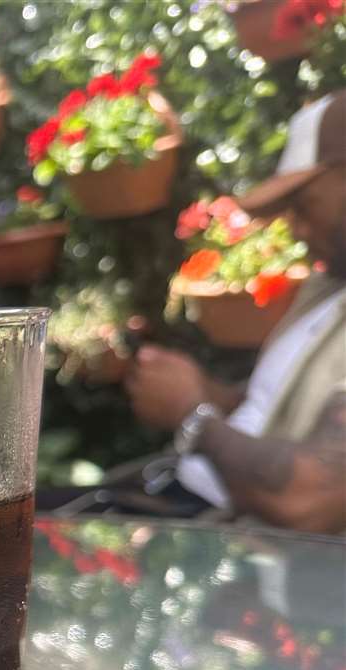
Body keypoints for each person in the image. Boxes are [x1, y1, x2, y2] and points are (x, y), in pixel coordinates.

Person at [125, 91, 346, 535]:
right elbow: (283, 405)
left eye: (304, 206)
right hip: (194, 513)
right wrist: (211, 394)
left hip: (251, 561)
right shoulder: (325, 290)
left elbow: (310, 498)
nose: (297, 229)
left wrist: (191, 416)